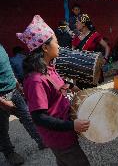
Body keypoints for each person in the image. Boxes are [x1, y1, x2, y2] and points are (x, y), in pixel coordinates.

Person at [18, 15, 90, 166]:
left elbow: (56, 84)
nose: (59, 45)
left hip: (64, 130)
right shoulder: (36, 80)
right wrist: (72, 125)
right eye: (56, 42)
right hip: (59, 136)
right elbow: (38, 117)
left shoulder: (47, 66)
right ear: (45, 47)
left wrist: (70, 85)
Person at [0, 44, 45, 166]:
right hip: (1, 97)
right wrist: (2, 101)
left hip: (14, 91)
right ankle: (9, 153)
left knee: (28, 117)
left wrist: (17, 85)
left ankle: (41, 141)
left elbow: (7, 68)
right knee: (2, 129)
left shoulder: (1, 47)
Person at [72, 14, 110, 88]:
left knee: (91, 91)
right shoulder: (76, 38)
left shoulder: (94, 35)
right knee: (80, 92)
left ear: (83, 24)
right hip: (80, 69)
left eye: (77, 22)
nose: (75, 24)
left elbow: (107, 47)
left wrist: (105, 58)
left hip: (91, 69)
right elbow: (72, 53)